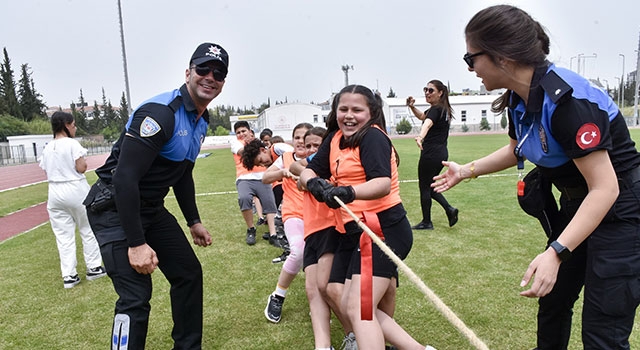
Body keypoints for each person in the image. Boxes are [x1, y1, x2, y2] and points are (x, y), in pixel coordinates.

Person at [432, 5, 640, 349]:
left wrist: (556, 252)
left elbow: (606, 188)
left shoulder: (568, 102)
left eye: (471, 59)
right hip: (579, 204)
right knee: (553, 303)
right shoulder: (520, 97)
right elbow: (519, 147)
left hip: (621, 209)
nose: (470, 69)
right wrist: (467, 170)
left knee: (603, 330)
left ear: (502, 57)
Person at [83, 42, 226, 349]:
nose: (210, 77)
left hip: (151, 208)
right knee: (135, 297)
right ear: (188, 73)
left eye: (218, 72)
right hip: (114, 207)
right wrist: (136, 244)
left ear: (223, 82)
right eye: (203, 69)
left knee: (188, 273)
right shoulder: (160, 114)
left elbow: (183, 173)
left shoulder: (201, 120)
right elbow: (124, 178)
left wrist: (194, 221)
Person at [300, 84, 436, 350]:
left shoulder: (373, 137)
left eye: (357, 110)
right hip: (352, 233)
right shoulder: (335, 138)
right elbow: (309, 169)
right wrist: (313, 183)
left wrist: (347, 191)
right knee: (338, 292)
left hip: (382, 228)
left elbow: (382, 183)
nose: (349, 115)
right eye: (343, 109)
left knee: (359, 307)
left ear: (371, 112)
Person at [39, 111, 106, 289]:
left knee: (63, 235)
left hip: (54, 191)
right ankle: (94, 267)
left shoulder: (47, 147)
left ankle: (69, 275)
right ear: (66, 125)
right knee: (87, 228)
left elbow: (45, 169)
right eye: (73, 124)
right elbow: (81, 167)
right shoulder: (71, 144)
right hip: (75, 188)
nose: (75, 128)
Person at [261, 122, 313, 323]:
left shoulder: (318, 159)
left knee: (316, 260)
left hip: (317, 216)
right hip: (293, 214)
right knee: (299, 251)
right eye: (297, 137)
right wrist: (282, 172)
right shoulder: (286, 157)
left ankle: (317, 303)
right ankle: (278, 295)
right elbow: (266, 177)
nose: (301, 141)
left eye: (305, 137)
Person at [406, 80, 458, 230]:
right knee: (429, 186)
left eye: (431, 90)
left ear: (440, 93)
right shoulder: (442, 110)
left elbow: (427, 124)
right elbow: (423, 117)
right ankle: (449, 209)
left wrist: (420, 137)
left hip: (430, 154)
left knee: (424, 187)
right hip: (441, 153)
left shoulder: (436, 110)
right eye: (425, 90)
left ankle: (427, 222)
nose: (427, 93)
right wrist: (411, 107)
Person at [231, 120, 279, 246]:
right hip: (244, 178)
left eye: (243, 131)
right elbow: (242, 151)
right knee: (244, 198)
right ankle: (251, 229)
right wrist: (251, 143)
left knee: (269, 203)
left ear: (249, 131)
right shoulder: (235, 143)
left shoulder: (258, 143)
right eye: (238, 132)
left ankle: (273, 234)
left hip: (262, 177)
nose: (241, 134)